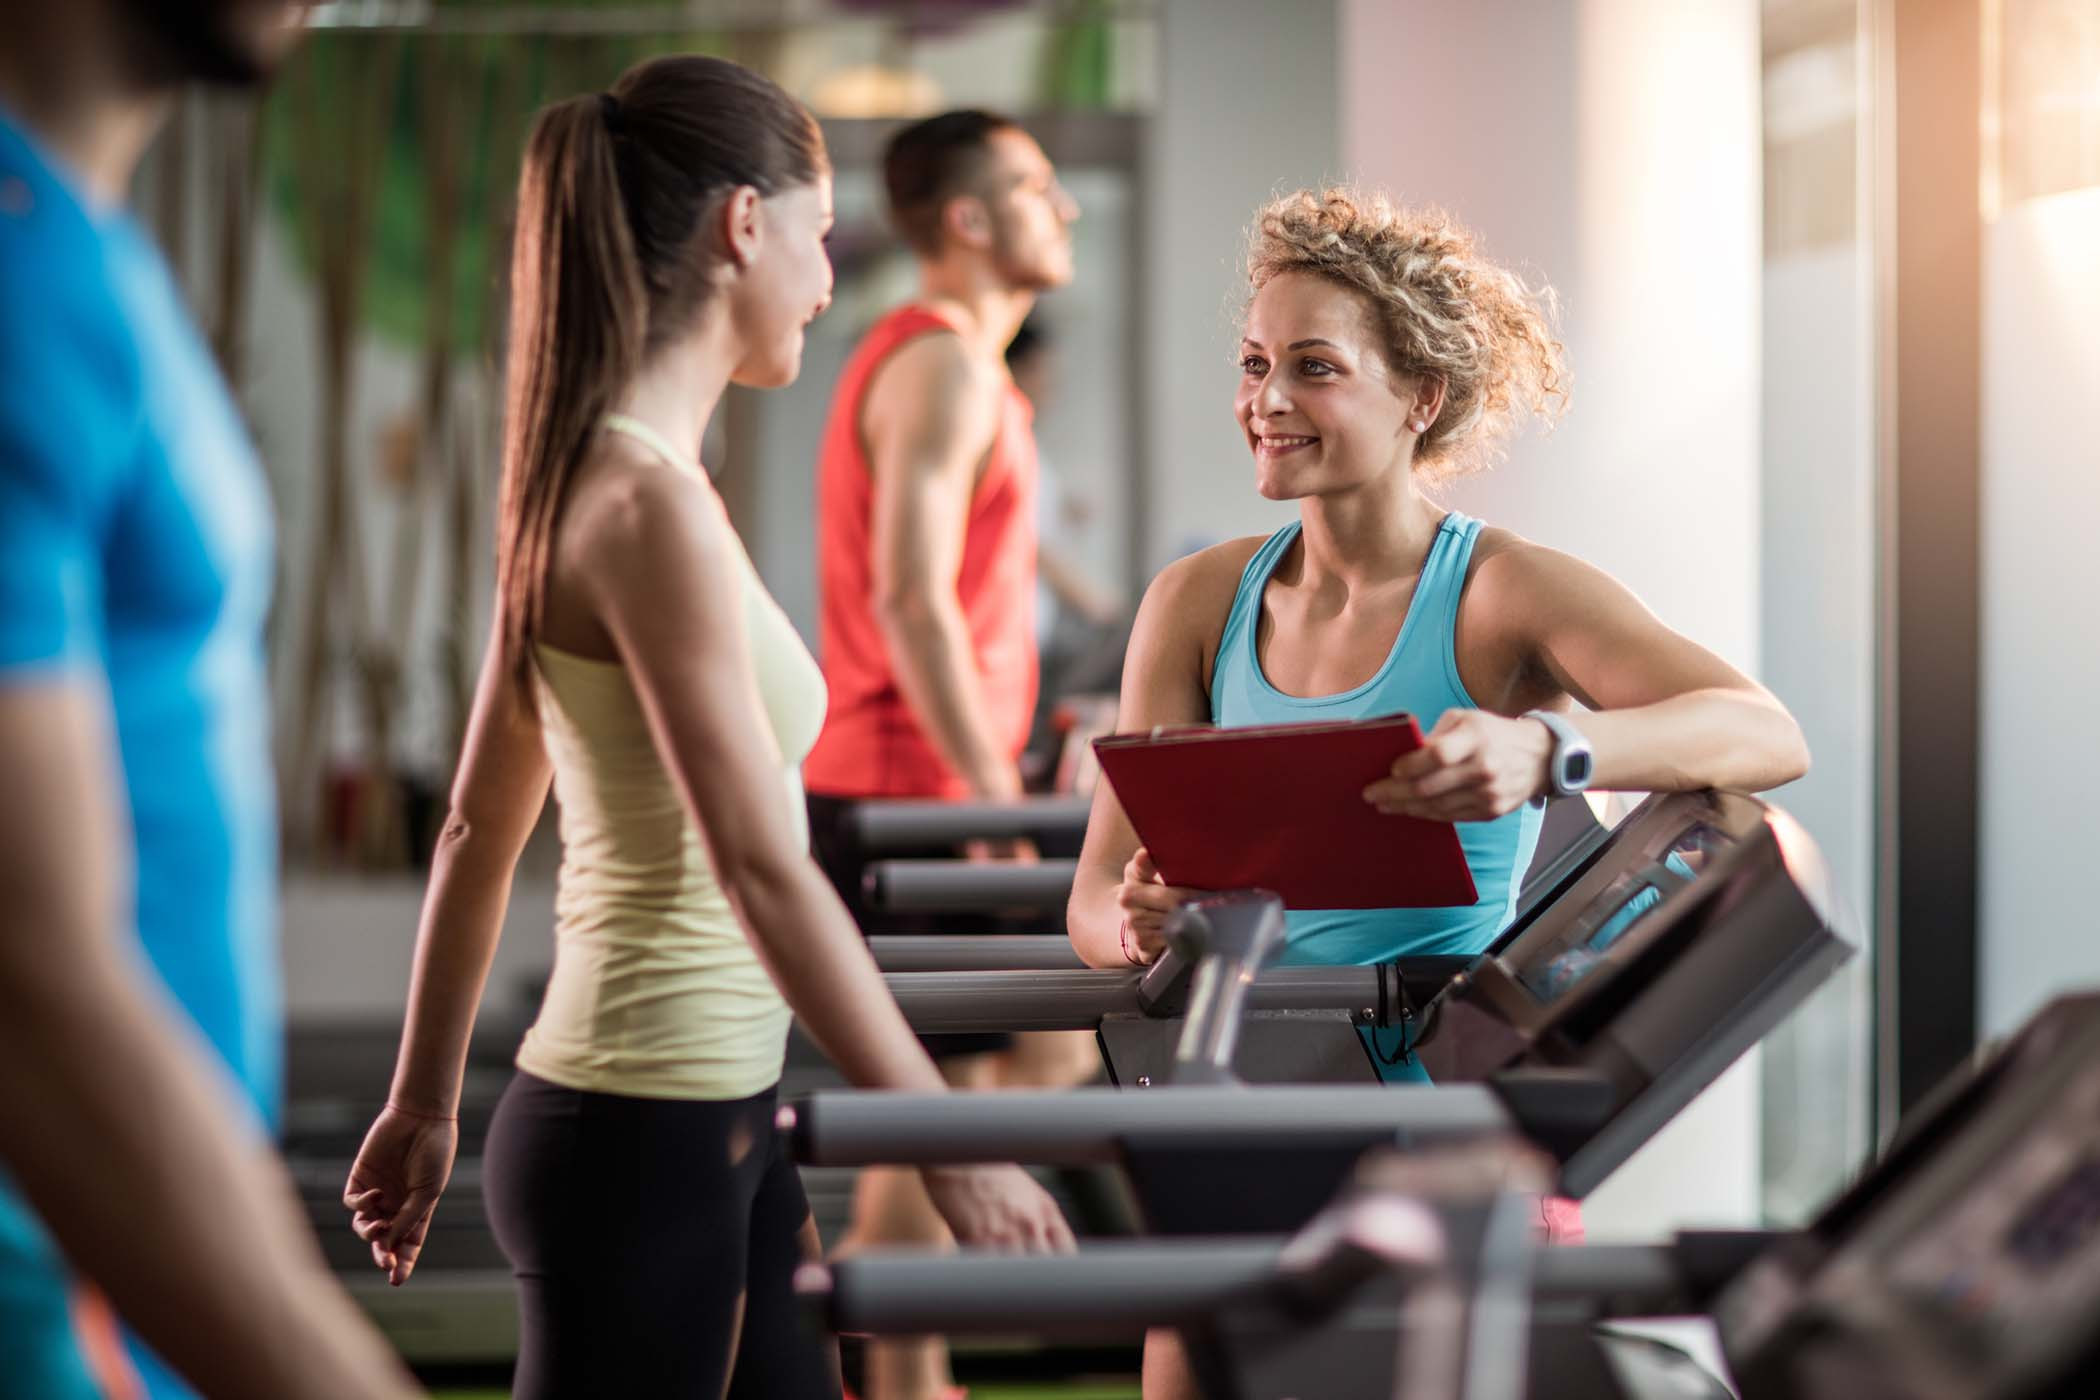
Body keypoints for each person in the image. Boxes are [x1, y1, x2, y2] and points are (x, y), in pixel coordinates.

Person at [338, 58, 1072, 1400]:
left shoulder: (615, 478)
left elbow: (474, 827)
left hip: (701, 1111)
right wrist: (950, 1142)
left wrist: (427, 1103)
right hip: (639, 1120)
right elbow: (758, 863)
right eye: (822, 232)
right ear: (745, 225)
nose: (830, 276)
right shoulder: (644, 505)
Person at [1064, 187, 1810, 1399]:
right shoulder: (1197, 601)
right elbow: (1095, 896)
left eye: (1313, 367)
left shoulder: (1503, 590)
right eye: (1255, 364)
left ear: (1420, 396)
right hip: (1240, 1097)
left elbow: (1763, 731)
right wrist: (1144, 926)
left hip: (1438, 1124)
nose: (1265, 400)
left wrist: (1552, 750)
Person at [0, 5, 426, 1399]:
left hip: (133, 1290)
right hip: (56, 1303)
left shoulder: (85, 249)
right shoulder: (16, 273)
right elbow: (25, 972)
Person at [799, 110, 1087, 1400]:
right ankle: (892, 1354)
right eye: (1035, 187)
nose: (1063, 206)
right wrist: (993, 802)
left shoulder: (963, 368)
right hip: (906, 789)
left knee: (947, 1108)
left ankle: (903, 1367)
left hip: (905, 782)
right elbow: (914, 600)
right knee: (1013, 1072)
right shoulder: (945, 368)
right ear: (968, 220)